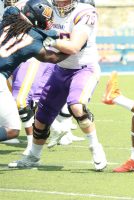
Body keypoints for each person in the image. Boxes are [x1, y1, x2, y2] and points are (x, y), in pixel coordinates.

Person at [8, 0, 107, 171]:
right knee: (41, 119)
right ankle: (33, 156)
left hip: (84, 68)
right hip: (59, 69)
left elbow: (74, 47)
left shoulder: (85, 12)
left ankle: (95, 148)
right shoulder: (48, 8)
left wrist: (45, 37)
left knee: (76, 106)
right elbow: (22, 9)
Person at [0, 0, 68, 144]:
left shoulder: (10, 16)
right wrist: (75, 49)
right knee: (12, 129)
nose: (48, 21)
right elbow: (53, 57)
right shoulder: (35, 38)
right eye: (47, 17)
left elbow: (12, 10)